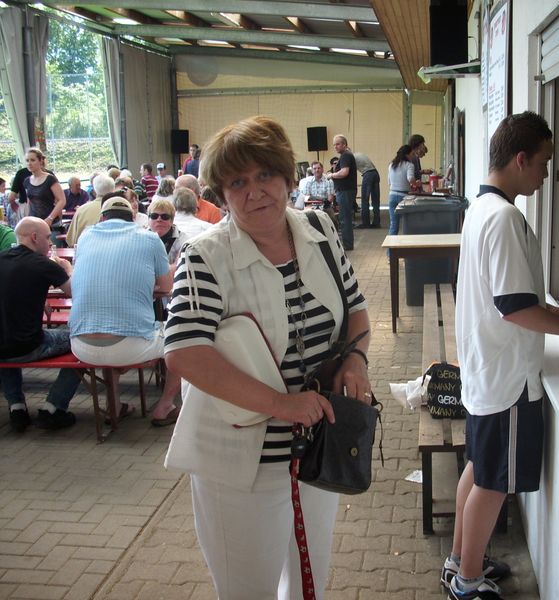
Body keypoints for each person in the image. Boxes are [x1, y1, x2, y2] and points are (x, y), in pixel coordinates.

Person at [163, 115, 372, 599]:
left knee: (308, 582)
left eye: (265, 175)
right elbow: (185, 353)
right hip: (242, 468)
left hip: (317, 449)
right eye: (237, 182)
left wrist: (355, 360)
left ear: (287, 177)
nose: (254, 192)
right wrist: (282, 405)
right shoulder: (206, 256)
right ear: (221, 193)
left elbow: (356, 309)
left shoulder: (319, 229)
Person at [445, 112, 559, 600]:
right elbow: (516, 306)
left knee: (479, 468)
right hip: (508, 379)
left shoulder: (480, 208)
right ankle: (467, 583)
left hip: (487, 370)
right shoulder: (503, 218)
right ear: (520, 159)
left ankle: (459, 560)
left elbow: (510, 297)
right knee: (494, 482)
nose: (545, 175)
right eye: (543, 163)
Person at [68, 195, 182, 426]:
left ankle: (114, 405)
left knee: (110, 325)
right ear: (133, 218)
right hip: (129, 345)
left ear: (102, 218)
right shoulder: (150, 238)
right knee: (183, 339)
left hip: (81, 345)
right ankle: (165, 406)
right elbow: (167, 286)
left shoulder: (86, 236)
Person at [0, 217, 81, 432]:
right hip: (30, 345)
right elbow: (77, 293)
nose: (51, 242)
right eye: (47, 237)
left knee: (6, 336)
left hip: (3, 346)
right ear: (34, 238)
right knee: (84, 342)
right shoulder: (44, 264)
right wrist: (68, 269)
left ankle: (17, 407)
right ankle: (53, 407)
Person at [65, 174, 116, 247]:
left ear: (94, 190)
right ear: (113, 190)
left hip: (85, 250)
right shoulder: (121, 209)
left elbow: (71, 241)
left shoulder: (81, 210)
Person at [22, 148, 66, 229]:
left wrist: (50, 218)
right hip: (34, 222)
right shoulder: (27, 181)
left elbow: (62, 200)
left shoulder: (50, 179)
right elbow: (29, 202)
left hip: (51, 223)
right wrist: (27, 219)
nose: (29, 163)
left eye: (32, 160)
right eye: (27, 161)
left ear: (40, 161)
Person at [328, 134, 357, 251]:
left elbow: (344, 172)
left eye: (338, 144)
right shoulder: (346, 155)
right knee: (345, 218)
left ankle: (347, 245)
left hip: (345, 191)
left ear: (344, 144)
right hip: (345, 191)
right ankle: (348, 244)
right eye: (334, 145)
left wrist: (331, 175)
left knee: (345, 219)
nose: (335, 146)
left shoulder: (345, 155)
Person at [387, 145, 415, 235]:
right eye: (412, 154)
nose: (413, 156)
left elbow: (389, 182)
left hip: (392, 195)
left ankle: (391, 244)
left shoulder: (391, 165)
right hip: (404, 197)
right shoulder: (409, 165)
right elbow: (410, 179)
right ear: (407, 154)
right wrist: (416, 183)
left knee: (394, 225)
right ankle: (407, 242)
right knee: (407, 224)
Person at [353, 151, 381, 228]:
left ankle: (365, 223)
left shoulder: (351, 157)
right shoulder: (358, 154)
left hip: (368, 175)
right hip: (375, 173)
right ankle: (376, 223)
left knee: (365, 200)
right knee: (375, 200)